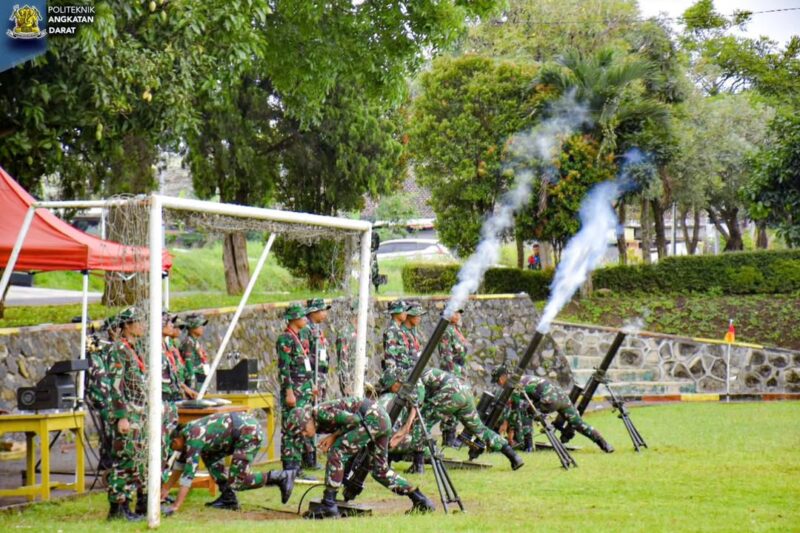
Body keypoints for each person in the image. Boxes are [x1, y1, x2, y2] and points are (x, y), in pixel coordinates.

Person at [285, 399, 435, 519]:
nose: (305, 434)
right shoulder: (316, 418)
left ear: (306, 420)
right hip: (380, 420)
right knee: (380, 470)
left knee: (337, 451)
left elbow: (355, 420)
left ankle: (329, 504)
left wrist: (334, 436)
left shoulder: (320, 413)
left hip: (372, 419)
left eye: (303, 430)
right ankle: (420, 500)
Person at [161, 412, 296, 514]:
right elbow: (180, 464)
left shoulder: (193, 436)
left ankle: (280, 476)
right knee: (209, 456)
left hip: (247, 433)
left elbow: (188, 474)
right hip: (237, 432)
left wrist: (176, 506)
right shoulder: (187, 433)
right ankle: (228, 498)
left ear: (176, 440)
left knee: (238, 481)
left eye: (173, 447)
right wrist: (166, 489)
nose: (174, 450)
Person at [418, 368, 524, 470]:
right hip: (465, 394)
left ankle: (420, 461)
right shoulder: (422, 372)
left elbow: (418, 402)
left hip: (451, 394)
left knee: (420, 423)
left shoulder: (414, 378)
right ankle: (513, 456)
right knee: (480, 430)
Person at [491, 366, 614, 453]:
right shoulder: (524, 378)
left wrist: (510, 435)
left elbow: (514, 410)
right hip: (561, 397)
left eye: (497, 381)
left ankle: (528, 447)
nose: (498, 384)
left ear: (502, 378)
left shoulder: (514, 385)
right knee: (578, 424)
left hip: (548, 400)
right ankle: (605, 445)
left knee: (525, 413)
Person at [105, 307, 148, 521]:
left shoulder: (133, 348)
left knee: (132, 458)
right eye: (138, 322)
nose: (143, 325)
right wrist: (121, 415)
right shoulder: (119, 350)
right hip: (127, 412)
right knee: (123, 460)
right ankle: (117, 507)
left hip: (137, 411)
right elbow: (116, 385)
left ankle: (125, 505)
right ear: (127, 325)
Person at [276, 303, 316, 473]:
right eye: (302, 316)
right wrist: (289, 392)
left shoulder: (298, 337)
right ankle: (290, 466)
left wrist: (311, 384)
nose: (305, 319)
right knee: (291, 427)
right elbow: (284, 368)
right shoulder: (286, 338)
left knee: (301, 427)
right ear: (294, 319)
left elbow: (304, 366)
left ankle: (297, 464)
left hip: (304, 390)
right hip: (295, 392)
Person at [376, 367, 427, 473]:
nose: (390, 389)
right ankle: (418, 464)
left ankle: (418, 464)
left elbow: (416, 414)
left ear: (397, 382)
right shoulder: (394, 397)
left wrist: (402, 434)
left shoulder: (414, 386)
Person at [301, 297, 331, 470]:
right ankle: (308, 455)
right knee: (310, 414)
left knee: (317, 413)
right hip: (313, 377)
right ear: (313, 312)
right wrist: (311, 381)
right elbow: (306, 356)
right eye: (322, 310)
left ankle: (312, 453)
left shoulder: (318, 329)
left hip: (321, 377)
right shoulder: (307, 330)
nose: (324, 313)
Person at [437, 308, 468, 448]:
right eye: (455, 312)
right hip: (452, 371)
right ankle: (448, 437)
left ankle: (452, 435)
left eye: (459, 313)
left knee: (458, 403)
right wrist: (451, 376)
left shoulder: (456, 329)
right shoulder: (446, 330)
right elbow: (446, 355)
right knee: (450, 403)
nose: (458, 315)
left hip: (459, 370)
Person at [180, 313, 209, 391]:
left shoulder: (195, 342)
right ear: (192, 327)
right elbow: (188, 363)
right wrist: (192, 382)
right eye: (200, 325)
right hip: (195, 379)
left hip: (200, 377)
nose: (202, 328)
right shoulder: (189, 342)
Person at [334, 303, 358, 397]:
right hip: (350, 382)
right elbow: (342, 361)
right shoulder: (345, 333)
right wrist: (346, 384)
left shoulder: (359, 332)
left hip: (358, 379)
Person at [382, 300, 410, 371]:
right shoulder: (392, 331)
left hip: (404, 371)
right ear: (396, 313)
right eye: (403, 310)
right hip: (398, 374)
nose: (406, 313)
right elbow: (390, 357)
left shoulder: (400, 330)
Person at [400, 302, 425, 371]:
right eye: (417, 315)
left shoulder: (414, 330)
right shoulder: (401, 332)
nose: (420, 318)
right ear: (410, 316)